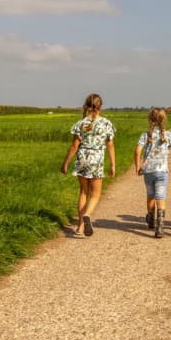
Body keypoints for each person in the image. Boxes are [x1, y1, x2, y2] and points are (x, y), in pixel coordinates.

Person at [60, 93, 116, 237]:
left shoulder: (80, 124)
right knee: (96, 194)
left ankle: (79, 227)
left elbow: (74, 145)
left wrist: (65, 163)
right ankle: (88, 215)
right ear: (100, 107)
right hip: (97, 159)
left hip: (82, 159)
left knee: (83, 192)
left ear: (86, 106)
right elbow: (110, 145)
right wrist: (113, 164)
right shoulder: (106, 123)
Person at [135, 107, 171, 238]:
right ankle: (160, 227)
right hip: (162, 171)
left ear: (150, 119)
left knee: (150, 195)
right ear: (164, 120)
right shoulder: (168, 135)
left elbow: (137, 151)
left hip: (148, 171)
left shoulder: (145, 135)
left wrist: (138, 166)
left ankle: (150, 218)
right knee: (160, 198)